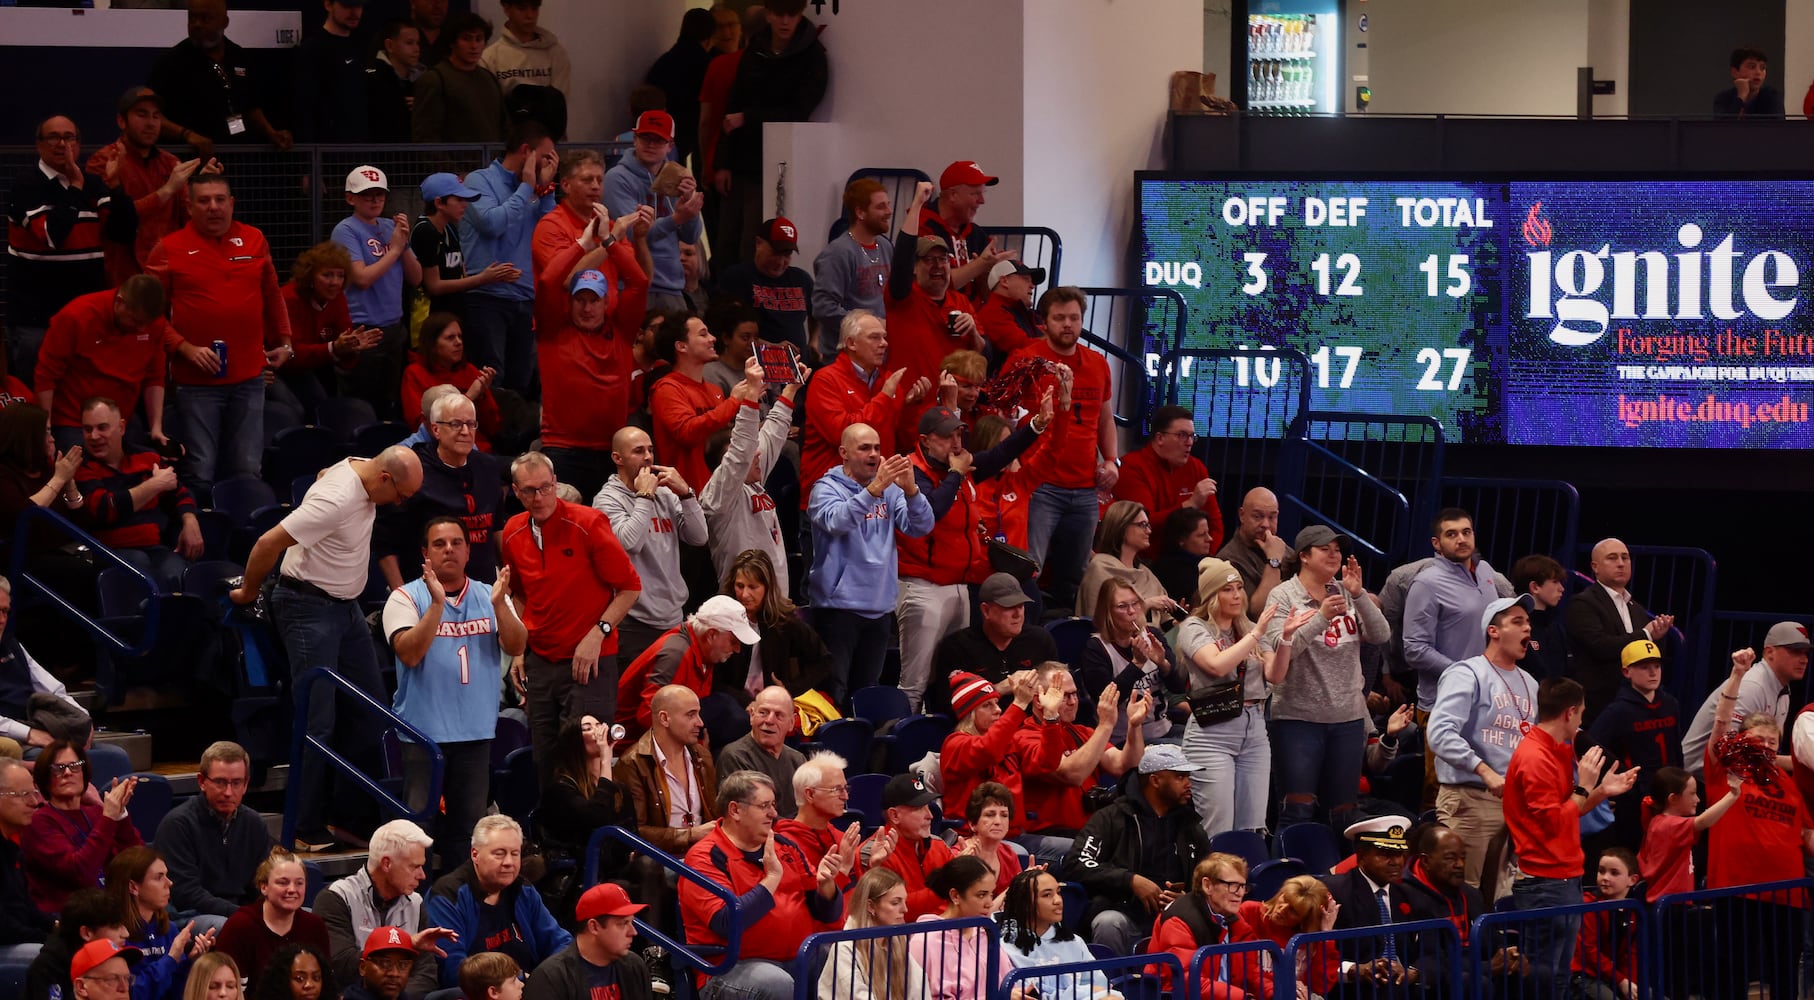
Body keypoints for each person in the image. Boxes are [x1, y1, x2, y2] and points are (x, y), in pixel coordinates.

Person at [229, 447, 423, 851]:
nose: (401, 504)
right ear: (385, 479)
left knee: (373, 711)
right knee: (318, 720)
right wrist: (247, 591)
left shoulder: (359, 466)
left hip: (345, 609)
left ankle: (349, 817)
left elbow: (325, 469)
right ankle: (303, 825)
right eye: (402, 495)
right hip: (306, 607)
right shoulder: (335, 499)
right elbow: (268, 541)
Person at [384, 517, 526, 863]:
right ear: (425, 554)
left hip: (475, 732)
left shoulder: (489, 594)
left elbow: (517, 642)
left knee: (467, 832)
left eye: (456, 542)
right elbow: (410, 653)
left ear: (467, 550)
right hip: (423, 734)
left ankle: (456, 909)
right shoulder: (405, 597)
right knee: (417, 830)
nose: (449, 549)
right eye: (439, 544)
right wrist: (436, 607)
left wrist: (498, 606)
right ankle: (413, 906)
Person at [145, 173, 292, 504]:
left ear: (231, 203)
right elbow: (150, 315)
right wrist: (183, 347)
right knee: (200, 468)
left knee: (247, 467)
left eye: (220, 199)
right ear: (189, 206)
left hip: (250, 377)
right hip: (196, 383)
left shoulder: (255, 239)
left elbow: (272, 295)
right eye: (204, 200)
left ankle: (245, 545)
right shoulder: (168, 248)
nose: (213, 207)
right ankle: (197, 536)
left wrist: (286, 341)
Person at [896, 399, 1048, 711]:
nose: (956, 443)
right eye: (946, 437)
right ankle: (903, 747)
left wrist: (1035, 425)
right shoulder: (912, 473)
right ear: (924, 440)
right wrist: (955, 474)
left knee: (955, 679)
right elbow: (930, 513)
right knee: (915, 681)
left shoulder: (959, 468)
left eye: (959, 435)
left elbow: (1000, 454)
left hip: (958, 586)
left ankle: (954, 739)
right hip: (923, 586)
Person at [499, 451, 643, 774]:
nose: (539, 498)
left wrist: (598, 633)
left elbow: (630, 587)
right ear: (516, 492)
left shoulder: (588, 523)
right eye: (529, 491)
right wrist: (521, 651)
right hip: (541, 661)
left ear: (555, 483)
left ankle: (591, 825)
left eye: (545, 487)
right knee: (545, 760)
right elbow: (521, 594)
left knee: (585, 760)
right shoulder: (511, 532)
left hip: (590, 661)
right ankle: (552, 826)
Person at [1502, 678, 1639, 1000]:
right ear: (1570, 712)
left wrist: (1602, 789)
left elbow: (1569, 811)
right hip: (1544, 884)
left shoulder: (1558, 751)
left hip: (1565, 878)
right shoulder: (1535, 757)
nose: (1582, 721)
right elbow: (1552, 822)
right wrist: (1585, 787)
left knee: (1560, 978)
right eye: (1581, 714)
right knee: (1543, 980)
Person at [1174, 558, 1316, 838]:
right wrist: (1256, 634)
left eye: (1239, 587)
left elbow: (1275, 675)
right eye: (1227, 589)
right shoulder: (1194, 627)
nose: (1237, 595)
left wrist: (1285, 638)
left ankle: (1243, 881)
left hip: (1254, 731)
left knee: (1251, 827)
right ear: (1212, 596)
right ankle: (1208, 880)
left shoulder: (1250, 627)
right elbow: (1216, 665)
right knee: (1218, 826)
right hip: (1212, 734)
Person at [1259, 524, 1390, 827]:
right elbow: (1282, 652)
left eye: (1338, 550)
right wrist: (1320, 619)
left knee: (1343, 812)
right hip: (1297, 721)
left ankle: (1335, 873)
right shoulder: (1283, 596)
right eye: (1325, 549)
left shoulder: (1346, 592)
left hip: (1347, 720)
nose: (1334, 555)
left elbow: (1381, 634)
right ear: (1304, 556)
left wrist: (1359, 596)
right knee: (1297, 812)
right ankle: (1290, 874)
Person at [680, 771, 852, 1000]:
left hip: (796, 957)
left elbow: (826, 914)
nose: (774, 813)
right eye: (764, 806)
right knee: (775, 983)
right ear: (735, 810)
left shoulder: (785, 846)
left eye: (773, 804)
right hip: (729, 968)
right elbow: (725, 922)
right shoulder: (705, 857)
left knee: (843, 957)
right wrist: (771, 879)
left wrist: (826, 887)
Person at [1701, 648, 1810, 1000]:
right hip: (1737, 888)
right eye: (1758, 740)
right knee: (1732, 971)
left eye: (1772, 742)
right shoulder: (1729, 768)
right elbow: (1720, 725)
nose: (1766, 746)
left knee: (1783, 976)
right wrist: (1737, 675)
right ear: (1741, 743)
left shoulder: (1789, 784)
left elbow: (1807, 834)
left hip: (1788, 893)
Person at [6, 114, 137, 388]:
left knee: (87, 398)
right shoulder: (26, 186)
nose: (62, 144)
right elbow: (52, 236)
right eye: (54, 137)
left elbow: (123, 233)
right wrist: (75, 188)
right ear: (39, 145)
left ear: (78, 144)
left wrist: (116, 187)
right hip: (37, 322)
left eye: (69, 137)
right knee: (36, 406)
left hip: (86, 319)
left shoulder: (93, 184)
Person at [807, 423, 933, 704]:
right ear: (844, 452)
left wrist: (912, 491)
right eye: (864, 448)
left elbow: (921, 526)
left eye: (877, 448)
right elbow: (837, 521)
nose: (874, 455)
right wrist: (875, 489)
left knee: (866, 694)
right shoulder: (825, 489)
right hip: (838, 609)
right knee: (833, 693)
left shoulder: (889, 490)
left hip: (879, 608)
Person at [1009, 286, 1118, 609]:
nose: (1068, 324)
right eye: (1059, 318)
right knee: (1030, 567)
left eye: (1074, 318)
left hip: (1084, 486)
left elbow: (1105, 419)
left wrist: (1112, 460)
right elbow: (1004, 415)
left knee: (1075, 576)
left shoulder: (1098, 364)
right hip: (1039, 483)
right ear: (1044, 322)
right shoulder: (1024, 359)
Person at [1427, 594, 1541, 887]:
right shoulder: (1467, 673)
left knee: (1501, 896)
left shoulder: (1531, 683)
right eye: (1517, 622)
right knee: (1464, 891)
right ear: (1494, 631)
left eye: (1528, 622)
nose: (1527, 628)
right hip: (1470, 799)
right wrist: (1484, 770)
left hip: (1515, 805)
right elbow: (1440, 733)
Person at [1063, 744, 1210, 956]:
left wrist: (1188, 901)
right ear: (1155, 780)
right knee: (1108, 922)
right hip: (1125, 912)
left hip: (1175, 919)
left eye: (1188, 776)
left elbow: (1208, 880)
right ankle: (1113, 986)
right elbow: (1076, 862)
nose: (1189, 783)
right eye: (1180, 777)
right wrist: (1130, 880)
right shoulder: (1112, 818)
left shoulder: (1191, 826)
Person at [799, 311, 924, 559]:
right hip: (831, 502)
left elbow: (901, 439)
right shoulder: (825, 380)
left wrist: (910, 405)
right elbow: (843, 434)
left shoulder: (886, 382)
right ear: (851, 343)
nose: (884, 344)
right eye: (875, 337)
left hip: (878, 501)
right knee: (824, 587)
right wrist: (885, 398)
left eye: (885, 338)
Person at [714, 0, 829, 261]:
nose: (785, 21)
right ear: (768, 15)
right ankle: (724, 299)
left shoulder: (812, 56)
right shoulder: (755, 50)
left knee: (750, 244)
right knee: (725, 243)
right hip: (743, 158)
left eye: (792, 14)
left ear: (800, 15)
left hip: (775, 164)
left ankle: (744, 299)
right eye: (779, 14)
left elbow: (799, 111)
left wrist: (747, 118)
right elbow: (733, 106)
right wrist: (724, 163)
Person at [536, 256, 652, 502]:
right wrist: (583, 245)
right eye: (580, 300)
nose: (587, 308)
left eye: (594, 300)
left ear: (606, 303)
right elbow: (547, 281)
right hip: (563, 449)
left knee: (609, 529)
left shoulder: (621, 331)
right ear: (570, 302)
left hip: (611, 451)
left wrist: (611, 242)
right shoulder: (553, 331)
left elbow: (640, 282)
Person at [595, 425, 710, 672]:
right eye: (638, 451)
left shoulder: (665, 494)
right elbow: (629, 543)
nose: (648, 457)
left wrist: (686, 494)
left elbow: (699, 537)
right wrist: (644, 496)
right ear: (618, 458)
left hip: (673, 616)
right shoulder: (606, 500)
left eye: (650, 450)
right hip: (634, 622)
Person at [375, 388, 506, 589]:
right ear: (435, 430)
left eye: (471, 424)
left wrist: (506, 583)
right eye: (455, 424)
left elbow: (496, 528)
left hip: (482, 593)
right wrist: (399, 594)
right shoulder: (414, 471)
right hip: (427, 592)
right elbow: (385, 544)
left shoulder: (488, 467)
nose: (465, 431)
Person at [461, 122, 558, 393]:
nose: (550, 163)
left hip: (525, 298)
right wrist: (527, 188)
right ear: (527, 152)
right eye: (546, 156)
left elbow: (551, 232)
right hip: (488, 298)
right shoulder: (478, 180)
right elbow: (492, 223)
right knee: (492, 377)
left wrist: (545, 191)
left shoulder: (534, 190)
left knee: (522, 379)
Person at [85, 87, 217, 286]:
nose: (150, 123)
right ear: (121, 121)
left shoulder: (171, 162)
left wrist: (201, 192)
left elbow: (188, 220)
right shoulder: (103, 161)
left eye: (156, 116)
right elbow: (112, 223)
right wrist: (166, 190)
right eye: (142, 114)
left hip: (168, 274)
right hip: (123, 279)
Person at [887, 186, 984, 451]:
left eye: (942, 259)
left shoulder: (961, 302)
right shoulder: (903, 298)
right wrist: (918, 203)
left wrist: (973, 331)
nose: (937, 266)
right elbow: (901, 258)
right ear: (915, 268)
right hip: (912, 407)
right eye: (928, 260)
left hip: (950, 409)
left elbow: (980, 358)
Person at [73, 397, 202, 591]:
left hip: (154, 548)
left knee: (180, 575)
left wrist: (190, 520)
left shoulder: (148, 458)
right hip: (109, 551)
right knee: (146, 576)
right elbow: (104, 508)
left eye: (102, 428)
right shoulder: (81, 467)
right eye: (87, 429)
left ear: (122, 428)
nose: (94, 436)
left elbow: (178, 491)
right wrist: (154, 485)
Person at [425, 816, 569, 987]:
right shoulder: (448, 896)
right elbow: (455, 971)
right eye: (499, 854)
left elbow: (560, 942)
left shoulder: (523, 890)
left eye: (515, 854)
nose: (508, 862)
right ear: (475, 855)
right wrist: (519, 981)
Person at [36, 279, 172, 453]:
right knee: (81, 470)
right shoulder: (76, 316)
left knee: (152, 465)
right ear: (119, 302)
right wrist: (46, 428)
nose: (142, 328)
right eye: (136, 321)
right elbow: (46, 376)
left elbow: (154, 377)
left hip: (122, 420)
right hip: (74, 421)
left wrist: (156, 428)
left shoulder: (155, 323)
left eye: (147, 323)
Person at [313, 820, 445, 997]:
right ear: (386, 864)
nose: (422, 875)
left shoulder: (415, 903)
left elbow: (426, 973)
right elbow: (339, 964)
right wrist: (405, 944)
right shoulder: (337, 897)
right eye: (415, 866)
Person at [1017, 665, 1146, 843]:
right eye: (1064, 695)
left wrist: (1135, 725)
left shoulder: (1081, 732)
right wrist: (1105, 725)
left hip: (1091, 830)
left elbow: (1125, 765)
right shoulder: (1023, 738)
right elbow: (1071, 775)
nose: (1073, 702)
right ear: (1039, 701)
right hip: (1053, 835)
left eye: (1075, 694)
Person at [147, 0, 292, 157]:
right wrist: (187, 135)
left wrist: (271, 133)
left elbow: (250, 106)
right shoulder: (171, 62)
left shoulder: (238, 56)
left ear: (225, 22)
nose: (197, 25)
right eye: (192, 18)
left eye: (205, 18)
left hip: (235, 157)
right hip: (189, 159)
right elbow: (152, 114)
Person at [700, 368, 798, 596]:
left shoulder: (754, 481)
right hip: (740, 605)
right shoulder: (719, 494)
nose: (757, 454)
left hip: (774, 604)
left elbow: (772, 434)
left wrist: (791, 389)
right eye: (748, 453)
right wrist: (751, 395)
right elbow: (741, 450)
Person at [1400, 826, 1525, 998]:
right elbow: (1431, 959)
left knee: (1536, 974)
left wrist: (1509, 953)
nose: (1460, 864)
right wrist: (1485, 967)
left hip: (1475, 969)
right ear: (1426, 861)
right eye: (1450, 858)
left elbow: (1493, 938)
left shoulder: (1471, 894)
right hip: (1436, 980)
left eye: (1463, 857)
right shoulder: (1407, 896)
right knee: (1476, 983)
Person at [332, 166, 420, 413]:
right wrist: (393, 250)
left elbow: (416, 277)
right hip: (363, 326)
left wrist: (403, 244)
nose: (374, 200)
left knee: (389, 402)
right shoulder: (346, 229)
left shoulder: (389, 226)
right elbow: (361, 278)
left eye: (379, 194)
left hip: (394, 326)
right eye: (367, 194)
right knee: (361, 402)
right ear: (351, 198)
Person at [155, 742, 271, 926]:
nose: (228, 792)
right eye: (220, 782)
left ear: (246, 784)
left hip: (242, 911)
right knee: (229, 927)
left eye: (236, 783)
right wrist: (244, 915)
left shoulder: (254, 824)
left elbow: (262, 884)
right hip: (192, 914)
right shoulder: (178, 824)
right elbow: (185, 893)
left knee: (305, 919)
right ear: (202, 781)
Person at [1404, 508, 1503, 718]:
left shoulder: (1485, 571)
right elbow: (1414, 648)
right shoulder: (1426, 583)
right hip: (1444, 704)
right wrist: (1464, 673)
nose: (1461, 539)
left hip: (1488, 700)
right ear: (1436, 544)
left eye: (1466, 532)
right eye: (1451, 534)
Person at [23, 740, 142, 913]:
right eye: (58, 768)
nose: (68, 773)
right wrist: (108, 817)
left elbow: (138, 863)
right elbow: (80, 873)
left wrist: (121, 814)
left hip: (114, 909)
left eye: (75, 766)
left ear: (84, 773)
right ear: (45, 778)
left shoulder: (96, 813)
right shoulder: (39, 822)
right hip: (71, 917)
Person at [604, 111, 705, 315]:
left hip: (672, 286)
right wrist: (677, 218)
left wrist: (688, 202)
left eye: (658, 140)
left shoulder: (677, 176)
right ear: (634, 139)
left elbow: (691, 236)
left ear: (670, 145)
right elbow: (632, 234)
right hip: (632, 283)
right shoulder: (617, 178)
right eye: (645, 138)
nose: (650, 145)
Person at [1586, 639, 1683, 850]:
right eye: (1644, 667)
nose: (1653, 673)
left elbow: (1676, 749)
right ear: (1626, 672)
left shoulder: (1670, 704)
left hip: (1669, 792)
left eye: (1656, 666)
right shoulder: (1618, 711)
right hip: (1635, 799)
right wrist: (1613, 782)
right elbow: (1591, 745)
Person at [616, 595, 758, 736]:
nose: (738, 649)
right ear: (711, 635)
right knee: (725, 708)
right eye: (733, 641)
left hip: (675, 738)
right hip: (632, 746)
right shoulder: (675, 657)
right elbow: (649, 716)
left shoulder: (706, 651)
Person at [1565, 538, 1673, 721]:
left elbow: (1647, 657)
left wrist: (1658, 637)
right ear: (1595, 566)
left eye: (1625, 557)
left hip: (1635, 706)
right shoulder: (1583, 603)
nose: (1621, 563)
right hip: (1599, 706)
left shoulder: (1636, 608)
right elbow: (1600, 646)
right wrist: (1646, 635)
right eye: (1612, 558)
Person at [1680, 620, 1807, 771]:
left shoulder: (1782, 690)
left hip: (1738, 774)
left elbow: (1767, 752)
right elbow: (1729, 750)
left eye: (1805, 653)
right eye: (1795, 651)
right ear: (1769, 652)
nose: (1804, 659)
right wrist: (1800, 764)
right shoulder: (1752, 686)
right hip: (1701, 780)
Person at [925, 573, 1057, 718]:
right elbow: (947, 707)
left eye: (1021, 606)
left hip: (1031, 731)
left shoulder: (1039, 640)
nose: (1017, 614)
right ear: (986, 611)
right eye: (1009, 607)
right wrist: (998, 689)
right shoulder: (958, 647)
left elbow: (1059, 689)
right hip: (980, 735)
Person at [649, 314, 750, 498]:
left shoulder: (714, 390)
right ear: (681, 346)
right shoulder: (667, 388)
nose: (712, 339)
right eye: (703, 334)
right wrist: (734, 401)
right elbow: (687, 432)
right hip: (686, 496)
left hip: (722, 492)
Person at [1075, 579, 1183, 748]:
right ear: (1107, 612)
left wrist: (1163, 663)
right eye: (1122, 606)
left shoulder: (1152, 634)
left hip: (1164, 729)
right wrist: (1137, 665)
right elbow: (1107, 701)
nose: (1132, 611)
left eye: (1135, 604)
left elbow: (1179, 688)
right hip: (1124, 741)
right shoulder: (1096, 649)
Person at [613, 685, 720, 855]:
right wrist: (689, 835)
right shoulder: (632, 763)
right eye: (691, 715)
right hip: (662, 859)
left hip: (703, 853)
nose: (700, 722)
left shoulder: (702, 755)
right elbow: (633, 832)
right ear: (664, 718)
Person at [277, 242, 380, 418]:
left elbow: (344, 355)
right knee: (299, 410)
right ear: (310, 276)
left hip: (314, 367)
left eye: (340, 276)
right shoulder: (288, 299)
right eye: (327, 275)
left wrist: (351, 348)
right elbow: (290, 356)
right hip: (277, 370)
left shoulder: (337, 299)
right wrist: (334, 348)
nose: (335, 282)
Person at [1317, 815, 1417, 991]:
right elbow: (1314, 956)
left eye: (1400, 854)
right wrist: (1354, 970)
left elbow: (1432, 950)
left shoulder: (1407, 893)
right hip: (1355, 990)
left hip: (1403, 989)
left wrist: (1414, 972)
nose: (1396, 862)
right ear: (1361, 856)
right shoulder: (1334, 891)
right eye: (1386, 854)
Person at [1113, 407, 1224, 561]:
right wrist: (1189, 505)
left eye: (1192, 436)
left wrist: (1205, 561)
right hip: (1145, 561)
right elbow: (1144, 524)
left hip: (1192, 561)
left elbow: (1216, 526)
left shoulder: (1196, 468)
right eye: (1182, 435)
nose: (1190, 443)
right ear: (1159, 438)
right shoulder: (1132, 467)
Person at [214, 850, 331, 996]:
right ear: (264, 887)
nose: (292, 889)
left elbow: (326, 986)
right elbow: (227, 991)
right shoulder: (240, 926)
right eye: (283, 882)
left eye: (299, 883)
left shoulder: (315, 926)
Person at [721, 549, 833, 699]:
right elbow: (714, 680)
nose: (744, 594)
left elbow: (823, 660)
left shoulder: (784, 622)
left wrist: (789, 690)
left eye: (753, 587)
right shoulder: (722, 619)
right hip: (733, 704)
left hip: (773, 703)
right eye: (740, 586)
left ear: (767, 588)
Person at [1148, 853, 1259, 1000]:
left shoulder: (1234, 919)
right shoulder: (1179, 921)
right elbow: (1187, 980)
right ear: (1208, 885)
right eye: (1232, 885)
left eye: (1243, 886)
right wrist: (1242, 997)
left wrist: (1283, 988)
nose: (1239, 893)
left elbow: (1251, 970)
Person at [412, 174, 519, 326]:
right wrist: (483, 278)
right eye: (459, 200)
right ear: (439, 203)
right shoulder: (425, 231)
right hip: (432, 320)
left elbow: (461, 273)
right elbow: (434, 286)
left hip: (454, 312)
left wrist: (497, 275)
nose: (465, 205)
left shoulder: (450, 227)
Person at [106, 846, 211, 1000]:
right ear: (133, 887)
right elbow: (130, 994)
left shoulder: (169, 929)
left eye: (166, 876)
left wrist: (189, 963)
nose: (169, 883)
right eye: (159, 877)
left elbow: (178, 994)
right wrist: (170, 960)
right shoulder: (114, 935)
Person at [521, 884, 652, 1000]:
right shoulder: (550, 978)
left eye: (631, 922)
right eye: (623, 924)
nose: (633, 932)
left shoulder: (635, 967)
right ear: (594, 927)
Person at [1000, 868, 1115, 1000]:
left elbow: (1101, 987)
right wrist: (1084, 993)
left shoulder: (1074, 942)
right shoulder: (1004, 947)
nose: (1058, 900)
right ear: (1025, 903)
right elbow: (1027, 994)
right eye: (1047, 895)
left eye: (1058, 893)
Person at [814, 867, 925, 1000]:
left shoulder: (897, 940)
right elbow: (856, 996)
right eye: (895, 903)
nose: (905, 909)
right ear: (871, 906)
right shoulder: (844, 948)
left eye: (904, 902)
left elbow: (919, 988)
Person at [812, 180, 894, 359]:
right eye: (881, 207)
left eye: (888, 205)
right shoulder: (838, 253)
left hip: (878, 357)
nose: (889, 212)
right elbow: (823, 307)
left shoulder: (885, 247)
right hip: (844, 358)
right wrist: (867, 326)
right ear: (860, 212)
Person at [859, 774, 950, 921]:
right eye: (920, 808)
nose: (930, 815)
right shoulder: (874, 853)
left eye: (929, 806)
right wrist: (946, 888)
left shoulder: (938, 845)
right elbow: (895, 911)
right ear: (894, 815)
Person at [917, 857, 1010, 1000]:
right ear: (955, 896)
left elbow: (1010, 983)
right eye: (981, 895)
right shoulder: (925, 940)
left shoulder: (986, 934)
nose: (989, 903)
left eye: (991, 894)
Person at [719, 218, 815, 353]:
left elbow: (817, 313)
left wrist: (814, 341)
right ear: (759, 243)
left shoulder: (802, 279)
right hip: (757, 366)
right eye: (775, 253)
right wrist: (770, 347)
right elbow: (729, 329)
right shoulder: (737, 278)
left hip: (799, 368)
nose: (780, 262)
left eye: (787, 255)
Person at [921, 160, 1010, 304]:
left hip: (973, 318)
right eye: (976, 194)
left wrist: (990, 273)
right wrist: (980, 265)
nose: (982, 201)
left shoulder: (976, 234)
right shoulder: (923, 229)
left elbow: (988, 298)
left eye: (982, 193)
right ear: (953, 195)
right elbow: (934, 285)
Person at [1076, 501, 1178, 625]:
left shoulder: (1146, 573)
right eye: (1142, 525)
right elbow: (1103, 623)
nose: (1149, 531)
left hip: (1154, 641)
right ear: (1122, 527)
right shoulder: (1100, 569)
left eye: (1148, 525)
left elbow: (1163, 621)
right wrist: (1146, 605)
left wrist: (1175, 623)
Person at [413, 12, 509, 143]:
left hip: (492, 160)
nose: (474, 45)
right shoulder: (435, 79)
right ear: (452, 42)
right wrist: (447, 164)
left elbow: (504, 128)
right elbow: (425, 136)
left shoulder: (489, 78)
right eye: (466, 38)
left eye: (479, 39)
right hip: (456, 161)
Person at [717, 687, 807, 816]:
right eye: (763, 712)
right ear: (752, 715)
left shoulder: (798, 759)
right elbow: (749, 816)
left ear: (791, 723)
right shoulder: (736, 756)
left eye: (779, 715)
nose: (769, 720)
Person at [291, 0, 370, 142]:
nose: (354, 12)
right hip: (325, 150)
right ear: (328, 5)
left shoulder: (362, 46)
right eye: (347, 5)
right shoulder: (313, 48)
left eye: (358, 5)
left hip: (360, 147)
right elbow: (304, 110)